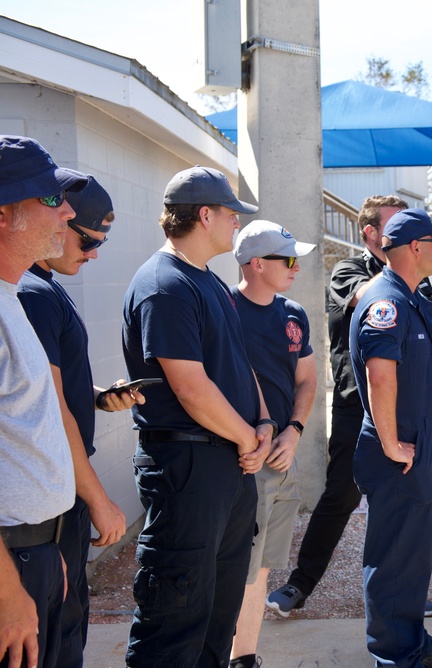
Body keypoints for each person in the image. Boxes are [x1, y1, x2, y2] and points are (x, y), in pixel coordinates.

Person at [122, 165, 274, 667]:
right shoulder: (164, 283)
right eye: (232, 214)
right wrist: (248, 440)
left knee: (216, 617)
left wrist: (265, 424)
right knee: (175, 618)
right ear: (204, 215)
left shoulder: (207, 281)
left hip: (226, 464)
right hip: (188, 467)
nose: (237, 224)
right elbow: (191, 388)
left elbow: (237, 363)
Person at [267, 195, 423, 616]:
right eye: (397, 225)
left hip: (406, 407)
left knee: (404, 503)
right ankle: (299, 586)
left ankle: (404, 590)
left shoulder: (417, 280)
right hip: (360, 407)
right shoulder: (350, 272)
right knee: (340, 498)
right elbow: (370, 300)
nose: (407, 234)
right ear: (370, 233)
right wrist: (409, 272)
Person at [16, 176, 140, 668]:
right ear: (57, 218)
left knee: (68, 625)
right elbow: (50, 409)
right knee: (55, 635)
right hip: (51, 499)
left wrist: (96, 398)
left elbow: (47, 390)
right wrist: (98, 498)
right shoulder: (31, 293)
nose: (93, 254)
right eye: (87, 239)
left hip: (57, 493)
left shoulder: (43, 287)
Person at [349, 208, 432, 668]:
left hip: (420, 450)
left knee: (415, 557)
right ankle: (396, 656)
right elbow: (381, 378)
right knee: (395, 560)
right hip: (400, 453)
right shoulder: (386, 300)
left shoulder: (412, 297)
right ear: (415, 248)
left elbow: (421, 360)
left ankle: (411, 641)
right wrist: (391, 442)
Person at [0, 135, 87, 668]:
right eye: (52, 200)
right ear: (4, 215)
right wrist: (9, 588)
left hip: (34, 552)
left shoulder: (10, 297)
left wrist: (47, 545)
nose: (70, 212)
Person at [228, 221, 318, 668]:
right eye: (289, 260)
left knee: (261, 569)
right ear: (257, 264)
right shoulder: (223, 308)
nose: (296, 268)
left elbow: (306, 379)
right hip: (242, 459)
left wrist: (294, 431)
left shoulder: (293, 313)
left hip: (284, 455)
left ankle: (245, 657)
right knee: (238, 570)